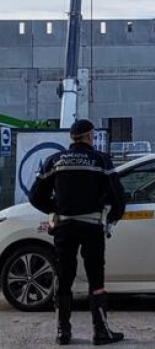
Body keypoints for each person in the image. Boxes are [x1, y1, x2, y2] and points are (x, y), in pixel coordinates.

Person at [29, 119, 126, 345]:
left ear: (72, 138)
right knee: (96, 279)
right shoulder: (100, 160)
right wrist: (112, 217)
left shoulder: (54, 161)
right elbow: (118, 196)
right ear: (90, 136)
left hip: (64, 226)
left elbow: (35, 196)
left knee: (64, 278)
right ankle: (100, 331)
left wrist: (56, 208)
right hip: (92, 226)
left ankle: (63, 332)